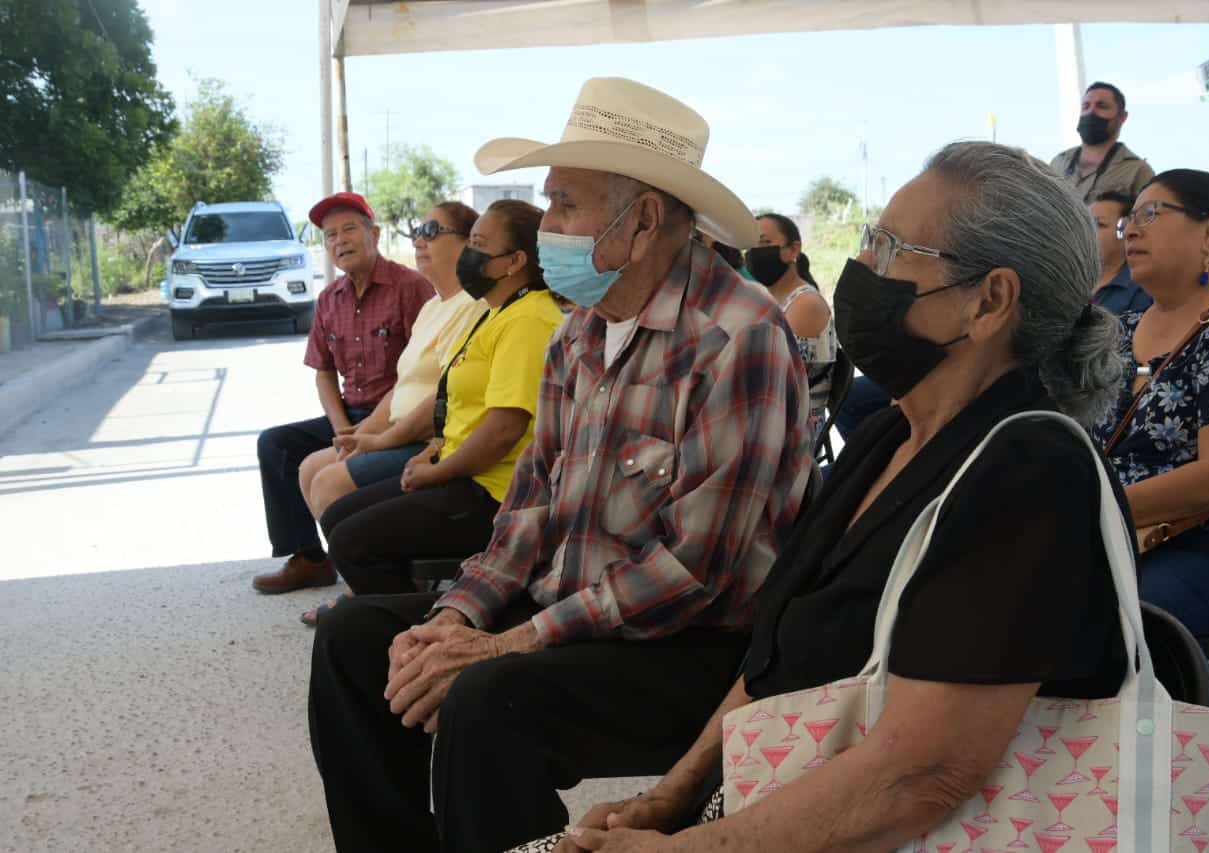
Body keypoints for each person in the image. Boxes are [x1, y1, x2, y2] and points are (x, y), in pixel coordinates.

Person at [521, 141, 1129, 853]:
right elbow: (770, 663)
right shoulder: (885, 436)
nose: (861, 268)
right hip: (772, 801)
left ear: (989, 302)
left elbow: (921, 775)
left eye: (890, 246)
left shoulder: (1029, 471)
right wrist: (669, 798)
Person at [308, 77, 814, 853]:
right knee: (354, 640)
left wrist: (507, 643)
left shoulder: (738, 335)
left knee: (486, 695)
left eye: (566, 205)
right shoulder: (580, 333)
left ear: (642, 221)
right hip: (576, 612)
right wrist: (455, 617)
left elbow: (692, 571)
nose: (549, 228)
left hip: (696, 647)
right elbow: (529, 510)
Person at [309, 200, 562, 608]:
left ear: (514, 261)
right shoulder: (495, 313)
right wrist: (432, 451)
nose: (469, 254)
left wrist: (436, 472)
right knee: (339, 517)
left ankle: (411, 631)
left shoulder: (529, 320)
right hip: (460, 469)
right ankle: (409, 617)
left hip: (495, 493)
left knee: (352, 541)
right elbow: (455, 402)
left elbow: (504, 429)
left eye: (478, 243)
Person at [1093, 169, 1209, 637]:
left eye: (1151, 214)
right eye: (1128, 221)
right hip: (1116, 538)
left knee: (1096, 626)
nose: (1131, 229)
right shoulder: (1120, 331)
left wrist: (1096, 508)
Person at [294, 201, 490, 624]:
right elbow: (401, 387)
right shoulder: (436, 304)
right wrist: (360, 433)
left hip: (428, 440)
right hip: (392, 424)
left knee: (328, 482)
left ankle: (374, 593)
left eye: (432, 230)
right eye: (417, 230)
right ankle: (366, 582)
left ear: (469, 242)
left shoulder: (472, 304)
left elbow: (443, 397)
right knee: (309, 465)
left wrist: (380, 441)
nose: (419, 239)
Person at [251, 192, 433, 595]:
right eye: (329, 235)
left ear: (375, 233)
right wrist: (341, 427)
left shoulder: (411, 288)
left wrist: (365, 432)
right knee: (276, 445)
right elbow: (323, 373)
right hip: (348, 414)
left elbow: (426, 369)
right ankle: (310, 560)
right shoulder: (329, 298)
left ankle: (376, 566)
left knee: (331, 468)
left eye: (350, 228)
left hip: (399, 417)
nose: (339, 240)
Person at [745, 213, 838, 443]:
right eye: (751, 245)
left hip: (793, 432)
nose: (755, 252)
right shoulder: (772, 301)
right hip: (772, 419)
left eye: (765, 243)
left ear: (793, 250)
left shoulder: (805, 304)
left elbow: (776, 378)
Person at [1049, 82, 1155, 205]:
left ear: (1122, 116)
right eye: (1085, 106)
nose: (1091, 112)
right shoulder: (1058, 163)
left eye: (1102, 106)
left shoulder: (1137, 170)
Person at [1090, 190, 1152, 315]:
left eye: (1099, 224)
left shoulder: (1141, 291)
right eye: (1085, 222)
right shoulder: (1068, 275)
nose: (1087, 229)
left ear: (1126, 230)